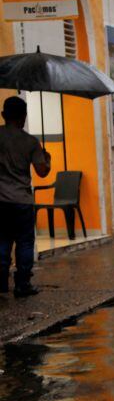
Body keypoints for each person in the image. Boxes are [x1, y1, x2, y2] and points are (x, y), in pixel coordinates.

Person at [0, 97, 51, 297]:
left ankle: (1, 282)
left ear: (3, 115)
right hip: (21, 201)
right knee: (24, 242)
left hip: (0, 201)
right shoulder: (30, 142)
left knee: (2, 240)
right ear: (24, 117)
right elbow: (42, 172)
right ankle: (23, 284)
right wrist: (47, 158)